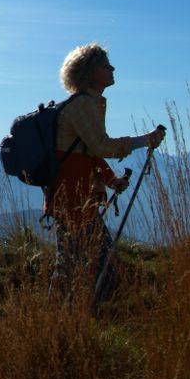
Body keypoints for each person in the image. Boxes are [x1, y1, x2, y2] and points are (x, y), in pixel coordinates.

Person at [47, 43, 165, 304]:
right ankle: (82, 317)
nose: (112, 69)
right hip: (74, 198)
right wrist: (145, 140)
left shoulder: (86, 104)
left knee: (72, 262)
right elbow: (100, 146)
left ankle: (68, 317)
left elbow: (89, 152)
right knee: (93, 263)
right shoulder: (83, 106)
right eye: (105, 65)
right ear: (89, 72)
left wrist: (111, 181)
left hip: (72, 196)